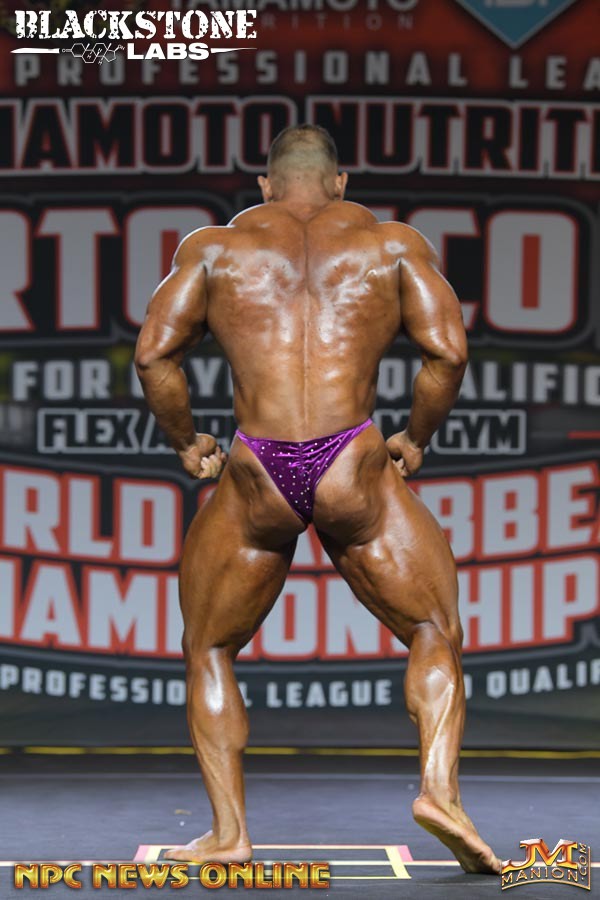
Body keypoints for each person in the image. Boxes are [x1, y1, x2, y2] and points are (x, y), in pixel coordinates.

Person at [134, 124, 501, 874]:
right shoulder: (392, 245)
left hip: (257, 469)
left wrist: (187, 442)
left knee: (210, 648)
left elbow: (153, 355)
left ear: (265, 185)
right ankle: (439, 792)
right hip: (352, 461)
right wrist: (415, 437)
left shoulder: (213, 250)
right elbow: (449, 352)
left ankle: (229, 834)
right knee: (433, 628)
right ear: (340, 183)